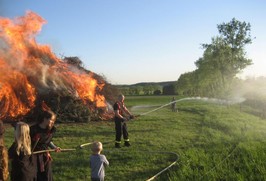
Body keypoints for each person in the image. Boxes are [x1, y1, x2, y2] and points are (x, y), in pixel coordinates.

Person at [30, 109, 61, 181]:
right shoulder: (33, 129)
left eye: (53, 121)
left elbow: (48, 141)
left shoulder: (51, 130)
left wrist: (55, 147)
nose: (53, 122)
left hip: (45, 155)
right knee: (36, 175)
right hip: (34, 156)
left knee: (47, 175)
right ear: (45, 119)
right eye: (51, 120)